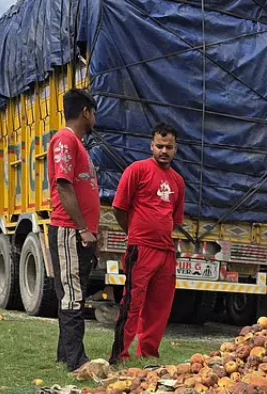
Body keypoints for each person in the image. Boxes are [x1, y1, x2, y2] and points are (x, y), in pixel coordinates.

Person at [110, 123, 187, 362]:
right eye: (160, 146)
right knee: (132, 302)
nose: (164, 151)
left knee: (159, 306)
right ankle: (121, 354)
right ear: (151, 145)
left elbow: (174, 219)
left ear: (176, 149)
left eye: (169, 147)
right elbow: (119, 207)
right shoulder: (137, 170)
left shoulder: (178, 182)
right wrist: (134, 233)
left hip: (165, 251)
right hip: (140, 249)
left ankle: (149, 353)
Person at [45, 89, 101, 372]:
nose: (95, 118)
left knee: (72, 291)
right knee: (72, 294)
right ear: (86, 112)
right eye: (94, 112)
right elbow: (64, 186)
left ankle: (64, 355)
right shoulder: (65, 140)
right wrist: (81, 228)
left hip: (79, 232)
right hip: (68, 230)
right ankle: (76, 361)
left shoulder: (77, 143)